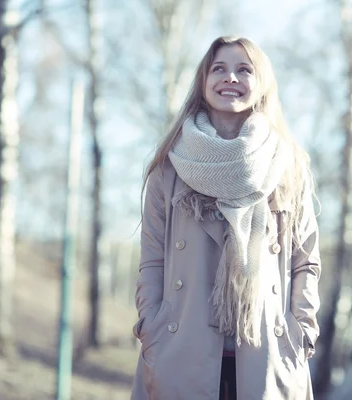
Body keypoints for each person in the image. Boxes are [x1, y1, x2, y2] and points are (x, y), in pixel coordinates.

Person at [131, 35, 321, 400]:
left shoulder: (287, 166)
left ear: (261, 84)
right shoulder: (169, 168)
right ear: (203, 83)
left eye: (243, 70)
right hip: (180, 351)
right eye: (219, 69)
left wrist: (302, 331)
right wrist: (151, 328)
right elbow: (152, 259)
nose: (230, 78)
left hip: (268, 352)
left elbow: (306, 261)